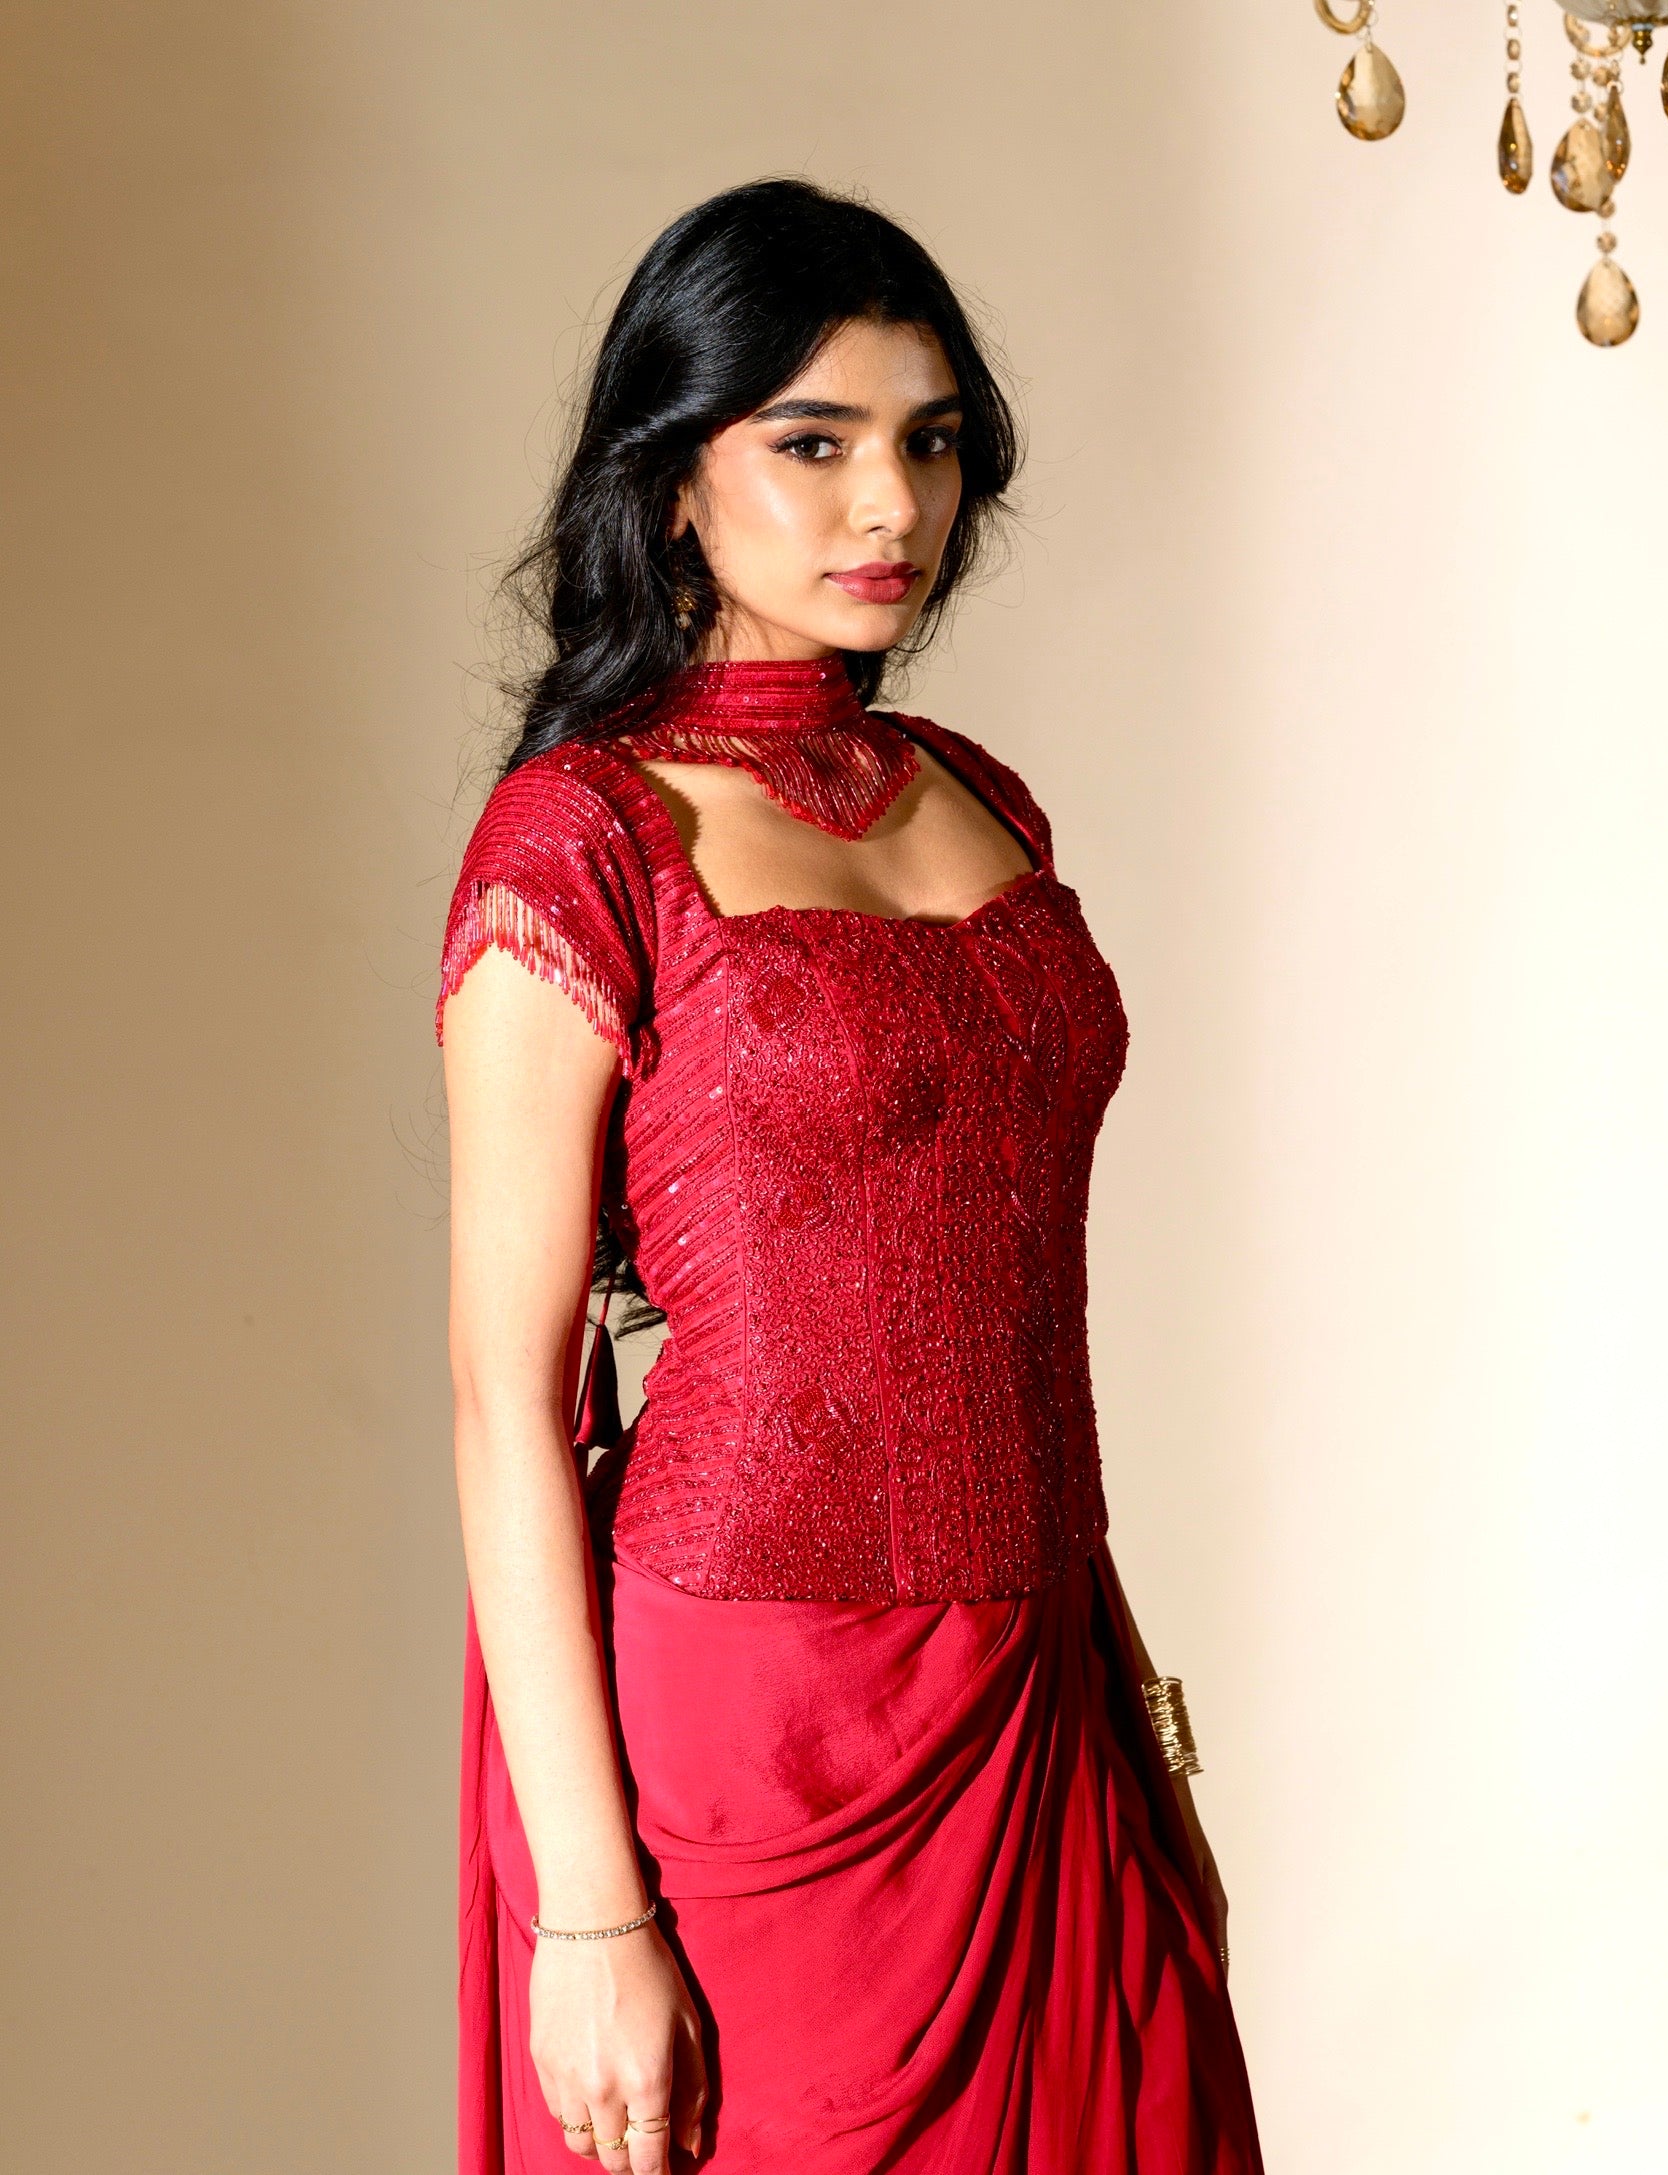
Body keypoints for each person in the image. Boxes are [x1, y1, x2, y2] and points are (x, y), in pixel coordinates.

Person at [437, 176, 1265, 2175]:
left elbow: (1008, 1302)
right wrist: (591, 1913)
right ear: (672, 481)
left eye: (932, 439)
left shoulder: (984, 800)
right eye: (813, 444)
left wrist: (1139, 1724)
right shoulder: (580, 836)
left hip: (1047, 1695)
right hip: (765, 1730)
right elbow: (505, 1397)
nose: (892, 503)